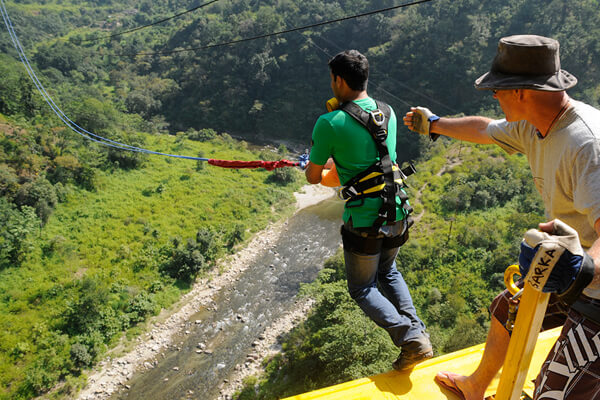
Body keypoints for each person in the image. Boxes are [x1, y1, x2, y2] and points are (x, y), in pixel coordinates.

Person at [403, 35, 600, 399]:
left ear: (522, 92)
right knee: (508, 307)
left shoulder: (586, 143)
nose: (494, 96)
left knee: (554, 391)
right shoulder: (535, 125)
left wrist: (582, 268)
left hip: (597, 292)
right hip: (575, 271)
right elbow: (483, 129)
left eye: (498, 89)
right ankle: (477, 387)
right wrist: (434, 124)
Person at [305, 49, 433, 371]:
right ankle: (418, 335)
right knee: (388, 272)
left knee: (362, 288)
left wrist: (324, 165)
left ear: (337, 79)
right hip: (398, 212)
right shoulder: (386, 113)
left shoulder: (329, 122)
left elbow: (313, 174)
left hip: (365, 220)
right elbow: (374, 162)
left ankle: (409, 337)